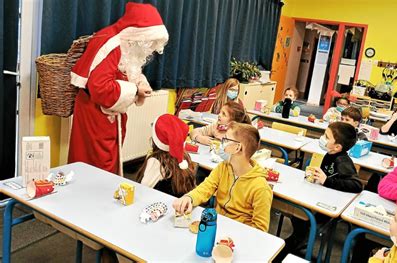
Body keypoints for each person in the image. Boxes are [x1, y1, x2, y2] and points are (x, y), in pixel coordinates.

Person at [68, 2, 169, 175]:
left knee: (107, 162)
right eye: (147, 41)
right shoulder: (111, 45)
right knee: (95, 165)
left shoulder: (127, 45)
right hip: (95, 116)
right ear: (138, 35)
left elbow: (127, 70)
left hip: (108, 116)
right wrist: (135, 90)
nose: (148, 46)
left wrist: (140, 82)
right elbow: (100, 87)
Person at [278, 122, 363, 260]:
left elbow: (356, 185)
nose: (322, 138)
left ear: (337, 146)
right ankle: (298, 240)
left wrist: (326, 181)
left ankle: (297, 242)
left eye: (327, 136)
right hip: (320, 197)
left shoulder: (342, 161)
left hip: (330, 205)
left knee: (304, 216)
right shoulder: (329, 154)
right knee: (297, 211)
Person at [173, 122, 273, 232]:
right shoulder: (223, 167)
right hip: (217, 224)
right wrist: (189, 198)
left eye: (226, 140)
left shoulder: (260, 187)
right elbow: (205, 188)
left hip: (238, 234)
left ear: (237, 147)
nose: (221, 142)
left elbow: (260, 229)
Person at [136, 114, 196, 197]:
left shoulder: (157, 162)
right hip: (177, 205)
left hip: (158, 205)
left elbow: (142, 190)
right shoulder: (184, 156)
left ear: (155, 139)